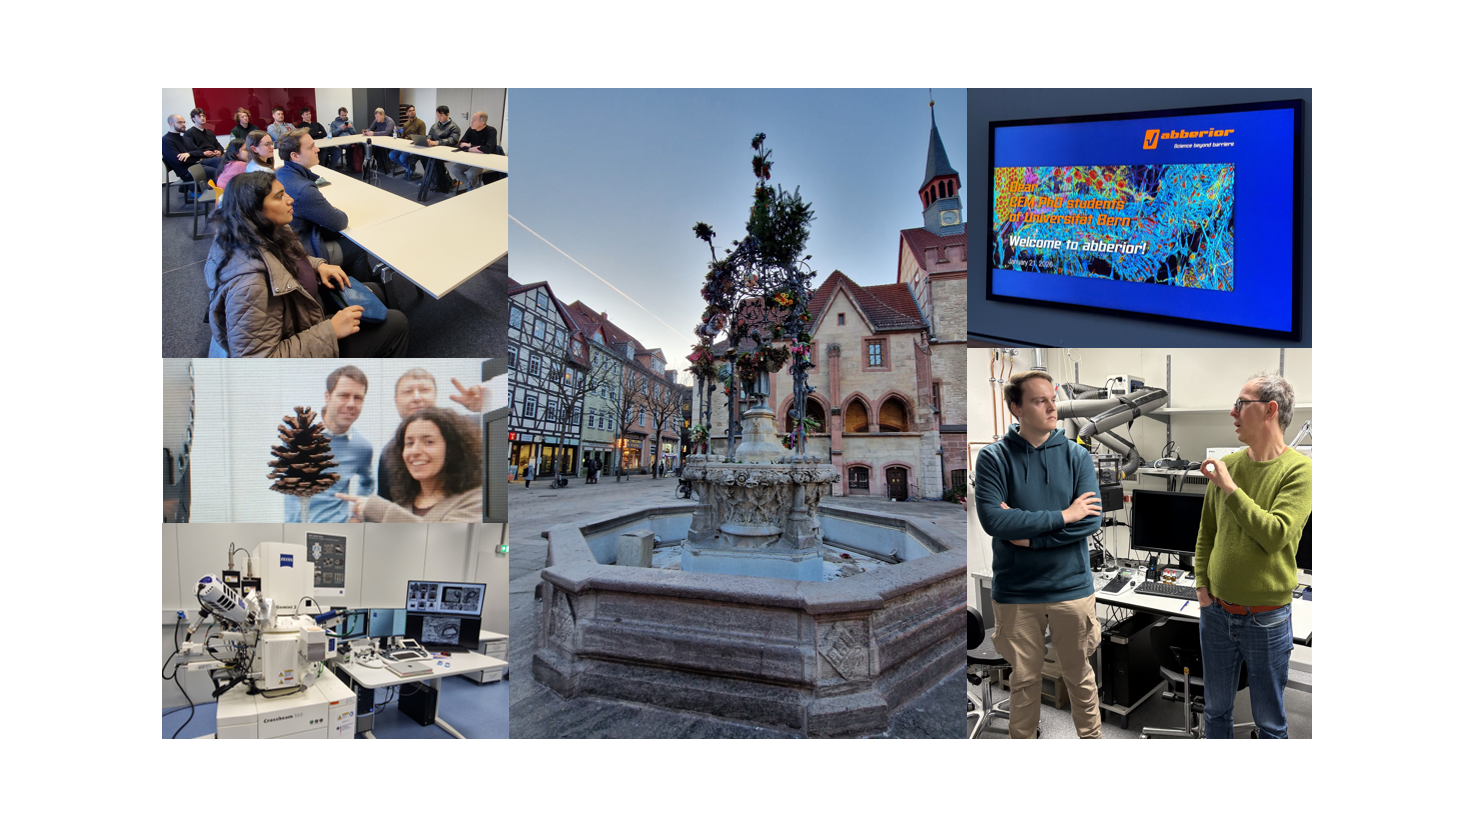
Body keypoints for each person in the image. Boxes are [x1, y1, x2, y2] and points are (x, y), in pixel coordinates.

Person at [974, 370, 1104, 739]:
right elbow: (995, 521)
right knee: (1024, 680)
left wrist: (1032, 539)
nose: (1052, 407)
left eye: (1052, 399)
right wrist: (1064, 515)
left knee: (1080, 677)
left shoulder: (1077, 456)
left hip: (1071, 589)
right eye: (1039, 401)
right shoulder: (993, 458)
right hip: (1017, 592)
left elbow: (1090, 521)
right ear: (1016, 408)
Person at [1194, 372, 1312, 739]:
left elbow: (1275, 534)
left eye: (1241, 404)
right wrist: (1201, 587)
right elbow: (1207, 532)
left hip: (1267, 619)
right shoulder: (1229, 464)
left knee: (1269, 722)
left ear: (1270, 410)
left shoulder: (1300, 470)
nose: (1233, 412)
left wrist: (1230, 487)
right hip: (1216, 612)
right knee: (1215, 711)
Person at [203, 171, 409, 358]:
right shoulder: (249, 287)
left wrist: (318, 266)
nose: (290, 199)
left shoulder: (266, 232)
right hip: (304, 335)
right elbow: (258, 361)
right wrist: (330, 331)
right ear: (254, 209)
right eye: (279, 196)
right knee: (397, 322)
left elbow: (283, 263)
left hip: (301, 311)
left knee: (375, 291)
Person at [275, 128, 392, 305]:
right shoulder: (304, 189)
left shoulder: (281, 173)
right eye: (311, 147)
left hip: (290, 242)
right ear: (295, 156)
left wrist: (324, 209)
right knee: (357, 247)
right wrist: (330, 210)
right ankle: (361, 296)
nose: (317, 149)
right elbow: (340, 221)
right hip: (304, 250)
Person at [337, 408, 483, 523]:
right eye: (409, 443)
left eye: (428, 442)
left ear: (452, 449)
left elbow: (446, 543)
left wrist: (380, 511)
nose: (415, 451)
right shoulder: (403, 502)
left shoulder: (476, 500)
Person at [374, 369, 485, 500]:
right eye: (408, 392)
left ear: (435, 395)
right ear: (396, 400)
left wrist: (485, 408)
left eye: (424, 390)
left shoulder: (471, 428)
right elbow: (387, 503)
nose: (416, 397)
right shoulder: (389, 453)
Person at [285, 366, 376, 522]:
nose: (351, 404)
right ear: (327, 396)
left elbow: (368, 483)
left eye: (358, 398)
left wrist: (356, 517)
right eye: (344, 395)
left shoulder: (362, 448)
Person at [163, 114, 221, 197]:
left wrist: (189, 154)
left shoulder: (185, 139)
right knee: (217, 172)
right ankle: (222, 196)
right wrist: (196, 157)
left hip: (196, 164)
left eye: (184, 122)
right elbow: (180, 161)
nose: (183, 124)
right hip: (187, 171)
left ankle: (219, 191)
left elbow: (200, 152)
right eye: (180, 122)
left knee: (222, 161)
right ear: (171, 124)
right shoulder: (166, 141)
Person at [447, 111, 502, 192]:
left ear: (482, 123)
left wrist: (469, 146)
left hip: (487, 161)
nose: (471, 122)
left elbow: (488, 149)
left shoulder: (491, 131)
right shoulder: (471, 129)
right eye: (472, 119)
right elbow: (460, 144)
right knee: (455, 169)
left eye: (474, 120)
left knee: (471, 173)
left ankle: (471, 189)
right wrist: (470, 149)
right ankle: (471, 187)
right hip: (472, 159)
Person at [423, 105, 462, 188]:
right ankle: (434, 179)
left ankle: (443, 181)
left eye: (441, 115)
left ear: (447, 114)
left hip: (448, 151)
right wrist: (428, 140)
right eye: (437, 115)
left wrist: (436, 142)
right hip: (435, 150)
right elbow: (430, 135)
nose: (438, 118)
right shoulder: (435, 125)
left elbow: (452, 140)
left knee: (434, 159)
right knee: (423, 156)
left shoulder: (454, 127)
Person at [389, 104, 426, 179]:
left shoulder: (421, 123)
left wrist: (409, 137)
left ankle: (409, 168)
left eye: (413, 110)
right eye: (410, 111)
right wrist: (401, 147)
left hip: (414, 147)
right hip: (405, 146)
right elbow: (402, 137)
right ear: (407, 113)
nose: (412, 112)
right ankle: (409, 167)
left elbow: (422, 138)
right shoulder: (406, 124)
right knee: (391, 155)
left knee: (402, 158)